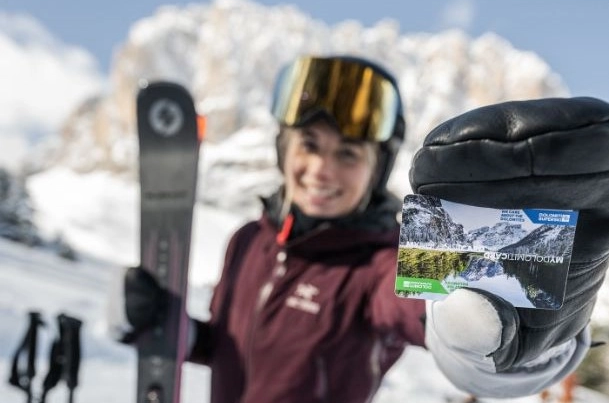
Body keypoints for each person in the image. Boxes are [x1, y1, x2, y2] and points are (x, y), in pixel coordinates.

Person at [116, 55, 609, 402]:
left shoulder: (378, 264)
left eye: (348, 153)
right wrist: (164, 328)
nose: (321, 169)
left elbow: (437, 322)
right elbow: (221, 345)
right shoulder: (247, 241)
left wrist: (524, 329)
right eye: (309, 144)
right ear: (284, 149)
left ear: (375, 169)